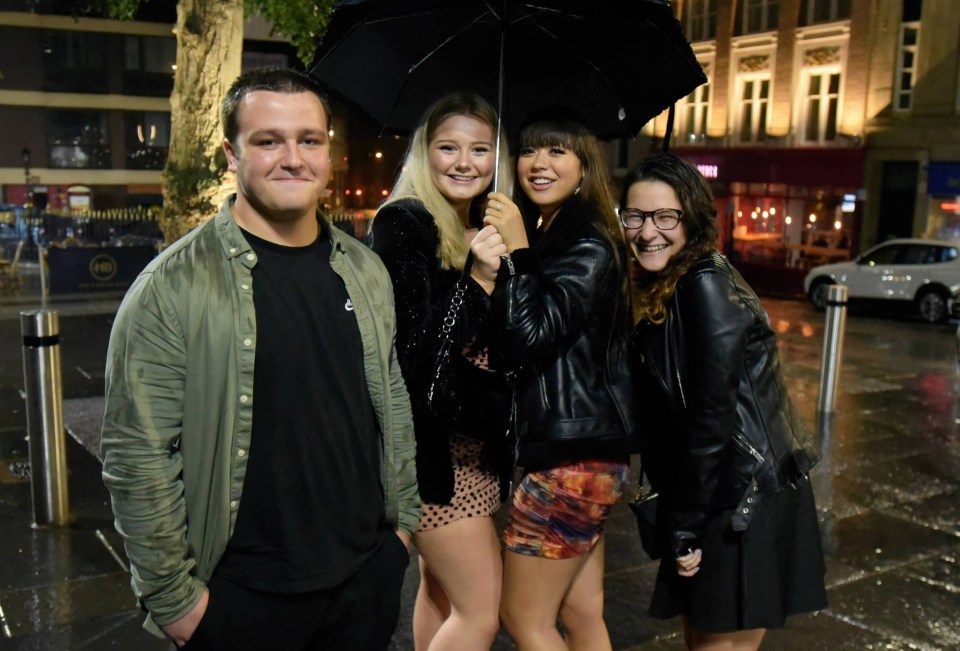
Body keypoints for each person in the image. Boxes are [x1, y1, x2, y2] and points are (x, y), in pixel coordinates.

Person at [100, 67, 420, 651]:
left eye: (309, 140)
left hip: (364, 578)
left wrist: (399, 531)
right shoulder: (172, 288)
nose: (292, 158)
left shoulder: (365, 268)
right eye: (268, 140)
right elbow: (136, 453)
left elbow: (389, 397)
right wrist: (175, 600)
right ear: (231, 154)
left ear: (329, 152)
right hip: (241, 596)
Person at [621, 153, 827, 651]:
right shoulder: (669, 283)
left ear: (691, 220)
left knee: (718, 645)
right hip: (718, 489)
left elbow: (711, 416)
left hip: (735, 498)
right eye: (636, 216)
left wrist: (686, 525)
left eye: (665, 217)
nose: (648, 231)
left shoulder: (705, 286)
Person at [470, 112, 639, 651]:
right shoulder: (557, 234)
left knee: (525, 620)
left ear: (586, 164)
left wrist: (517, 253)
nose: (538, 164)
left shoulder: (586, 243)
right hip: (588, 455)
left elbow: (530, 336)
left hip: (569, 458)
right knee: (580, 612)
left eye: (557, 151)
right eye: (528, 151)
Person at [368, 92, 513, 651]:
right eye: (447, 147)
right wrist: (476, 280)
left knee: (441, 592)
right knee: (481, 612)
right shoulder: (404, 222)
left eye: (480, 149)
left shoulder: (471, 221)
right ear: (423, 153)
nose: (464, 162)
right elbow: (415, 353)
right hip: (432, 457)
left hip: (468, 451)